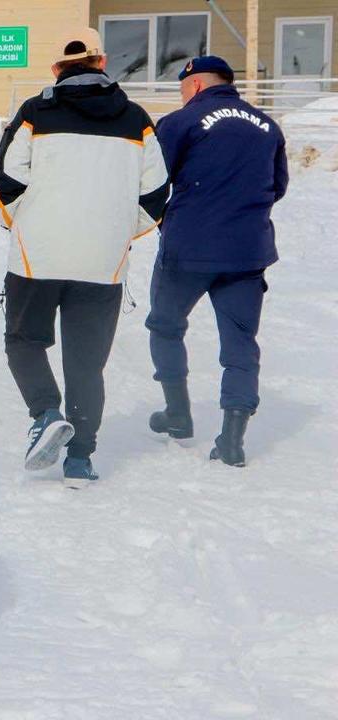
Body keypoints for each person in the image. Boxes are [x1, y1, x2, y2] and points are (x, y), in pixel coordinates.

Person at [0, 28, 169, 486]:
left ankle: (46, 412)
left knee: (24, 341)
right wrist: (116, 233)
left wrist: (24, 222)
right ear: (102, 61)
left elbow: (4, 178)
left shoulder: (35, 112)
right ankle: (80, 459)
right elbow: (156, 194)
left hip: (37, 258)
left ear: (56, 68)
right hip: (102, 262)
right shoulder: (136, 119)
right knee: (86, 363)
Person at [146, 56, 287, 467]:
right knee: (240, 344)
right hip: (247, 252)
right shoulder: (267, 126)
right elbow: (277, 186)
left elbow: (154, 181)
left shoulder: (180, 122)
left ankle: (177, 414)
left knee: (166, 326)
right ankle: (232, 440)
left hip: (188, 249)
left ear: (193, 86)